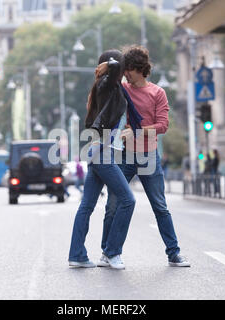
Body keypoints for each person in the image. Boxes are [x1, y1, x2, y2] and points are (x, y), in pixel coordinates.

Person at [101, 45, 190, 268]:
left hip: (149, 156)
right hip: (125, 157)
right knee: (113, 205)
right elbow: (103, 87)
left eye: (127, 70)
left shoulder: (157, 93)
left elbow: (163, 126)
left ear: (137, 69)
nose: (125, 74)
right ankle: (107, 252)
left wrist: (137, 131)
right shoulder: (122, 88)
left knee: (160, 206)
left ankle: (174, 253)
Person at [68, 49, 137, 270]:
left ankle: (77, 255)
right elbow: (115, 68)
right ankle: (112, 252)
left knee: (86, 205)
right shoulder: (107, 85)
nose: (125, 72)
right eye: (122, 66)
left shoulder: (104, 88)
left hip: (100, 151)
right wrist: (113, 64)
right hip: (103, 152)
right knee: (128, 200)